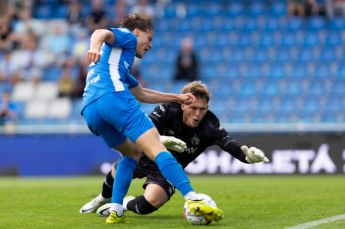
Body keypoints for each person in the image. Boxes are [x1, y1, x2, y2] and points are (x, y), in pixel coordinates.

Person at [81, 13, 223, 224]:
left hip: (90, 110)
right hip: (112, 98)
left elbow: (142, 94)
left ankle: (116, 209)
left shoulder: (116, 63)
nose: (150, 45)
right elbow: (100, 32)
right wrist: (93, 46)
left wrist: (178, 97)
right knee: (157, 148)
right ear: (137, 32)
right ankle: (192, 197)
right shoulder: (128, 37)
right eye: (149, 38)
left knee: (132, 154)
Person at [80, 81, 269, 217]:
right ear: (183, 104)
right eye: (193, 107)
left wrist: (247, 156)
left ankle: (124, 203)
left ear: (207, 108)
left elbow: (230, 145)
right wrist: (160, 139)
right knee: (119, 169)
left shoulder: (210, 125)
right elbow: (145, 128)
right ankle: (102, 198)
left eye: (202, 109)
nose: (197, 113)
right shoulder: (168, 110)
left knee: (151, 203)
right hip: (148, 154)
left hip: (169, 169)